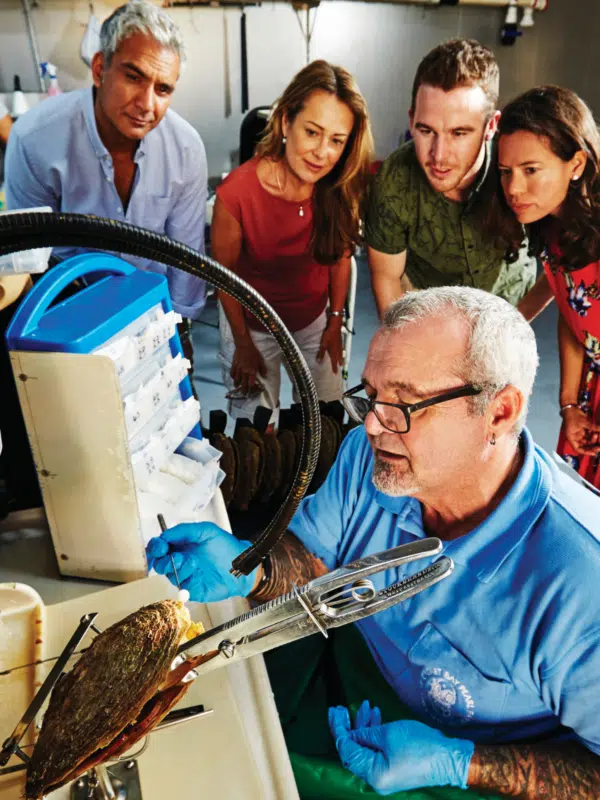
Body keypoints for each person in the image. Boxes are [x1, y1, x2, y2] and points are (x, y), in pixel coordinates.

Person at [147, 287, 600, 798]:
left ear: (498, 412)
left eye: (404, 404)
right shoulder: (376, 461)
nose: (372, 425)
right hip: (358, 686)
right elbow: (316, 558)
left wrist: (463, 764)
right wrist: (254, 569)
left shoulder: (582, 581)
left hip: (483, 769)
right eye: (371, 396)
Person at [4, 0, 207, 331]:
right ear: (100, 69)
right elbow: (32, 259)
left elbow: (186, 256)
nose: (146, 104)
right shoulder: (34, 139)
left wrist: (179, 329)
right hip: (69, 310)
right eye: (133, 77)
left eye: (163, 89)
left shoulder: (185, 150)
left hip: (155, 312)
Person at [212, 60, 373, 425]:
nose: (322, 153)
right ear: (286, 122)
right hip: (252, 321)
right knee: (256, 425)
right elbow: (225, 278)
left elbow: (340, 258)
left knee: (326, 418)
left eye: (337, 140)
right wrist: (242, 344)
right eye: (312, 132)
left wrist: (335, 322)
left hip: (313, 317)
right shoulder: (236, 194)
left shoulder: (338, 187)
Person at [366, 39, 550, 322]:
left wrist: (516, 326)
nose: (439, 156)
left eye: (459, 133)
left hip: (509, 307)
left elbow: (569, 261)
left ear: (491, 126)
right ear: (412, 119)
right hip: (430, 313)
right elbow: (387, 278)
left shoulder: (523, 165)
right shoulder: (393, 182)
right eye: (426, 130)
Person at [492, 85, 600, 488]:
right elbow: (575, 318)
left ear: (575, 164)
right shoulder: (555, 229)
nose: (514, 189)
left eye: (530, 170)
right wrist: (569, 404)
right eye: (506, 172)